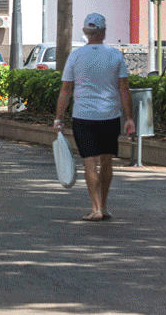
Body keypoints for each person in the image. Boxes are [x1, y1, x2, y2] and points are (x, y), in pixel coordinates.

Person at [54, 12, 136, 221]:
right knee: (107, 160)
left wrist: (58, 118)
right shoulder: (115, 55)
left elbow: (66, 90)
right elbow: (124, 89)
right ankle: (105, 206)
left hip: (83, 116)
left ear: (85, 32)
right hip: (110, 115)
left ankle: (95, 207)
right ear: (104, 31)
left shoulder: (75, 56)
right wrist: (129, 118)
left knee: (90, 163)